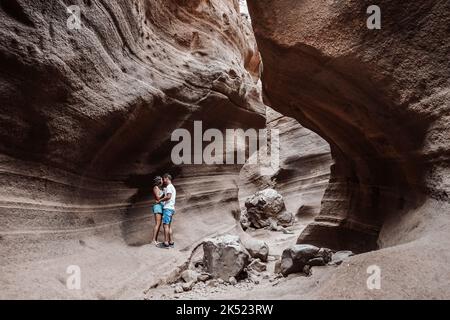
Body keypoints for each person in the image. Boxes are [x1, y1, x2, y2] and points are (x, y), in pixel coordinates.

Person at [157, 173, 176, 249]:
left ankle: (166, 243)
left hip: (167, 208)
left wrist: (159, 200)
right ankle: (171, 242)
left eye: (164, 179)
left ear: (166, 178)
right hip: (171, 208)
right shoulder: (172, 187)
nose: (163, 181)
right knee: (169, 226)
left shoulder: (169, 186)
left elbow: (168, 197)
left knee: (165, 226)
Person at [151, 176, 164, 246]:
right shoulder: (155, 187)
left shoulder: (159, 188)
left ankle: (155, 240)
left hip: (160, 206)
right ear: (159, 181)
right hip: (158, 206)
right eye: (162, 180)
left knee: (159, 224)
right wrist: (165, 194)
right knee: (157, 224)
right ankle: (153, 240)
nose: (162, 181)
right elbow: (158, 197)